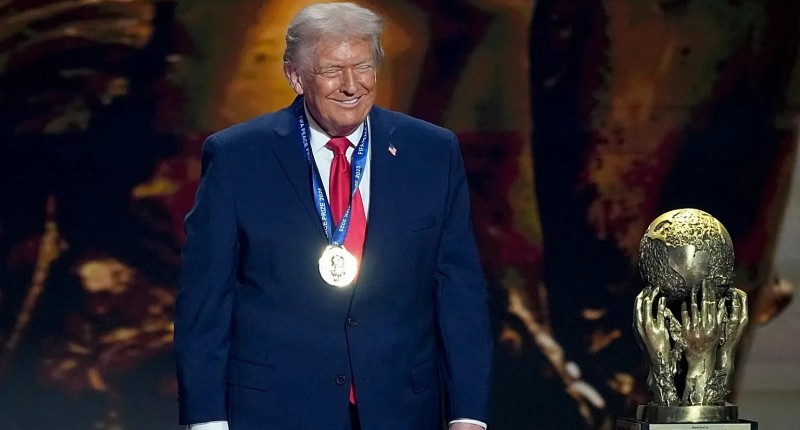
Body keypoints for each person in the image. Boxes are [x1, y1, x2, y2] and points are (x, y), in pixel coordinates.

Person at [174, 3, 492, 429]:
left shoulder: (432, 152)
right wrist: (207, 420)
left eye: (363, 66)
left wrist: (467, 414)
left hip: (401, 409)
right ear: (295, 76)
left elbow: (458, 293)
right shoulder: (237, 157)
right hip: (276, 411)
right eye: (331, 70)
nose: (351, 85)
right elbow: (205, 300)